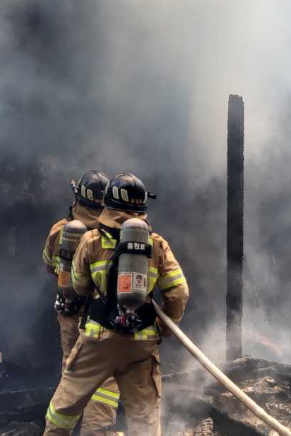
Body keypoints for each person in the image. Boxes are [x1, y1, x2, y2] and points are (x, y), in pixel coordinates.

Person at [45, 173, 189, 436]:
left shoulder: (91, 241)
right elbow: (179, 292)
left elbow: (78, 285)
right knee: (144, 417)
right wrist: (164, 328)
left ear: (109, 205)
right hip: (141, 344)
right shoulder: (157, 245)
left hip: (98, 339)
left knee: (64, 406)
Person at [42, 170, 121, 434]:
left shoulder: (60, 230)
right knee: (105, 378)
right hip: (102, 318)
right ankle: (96, 430)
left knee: (72, 369)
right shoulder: (112, 234)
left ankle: (61, 428)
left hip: (70, 313)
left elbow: (49, 265)